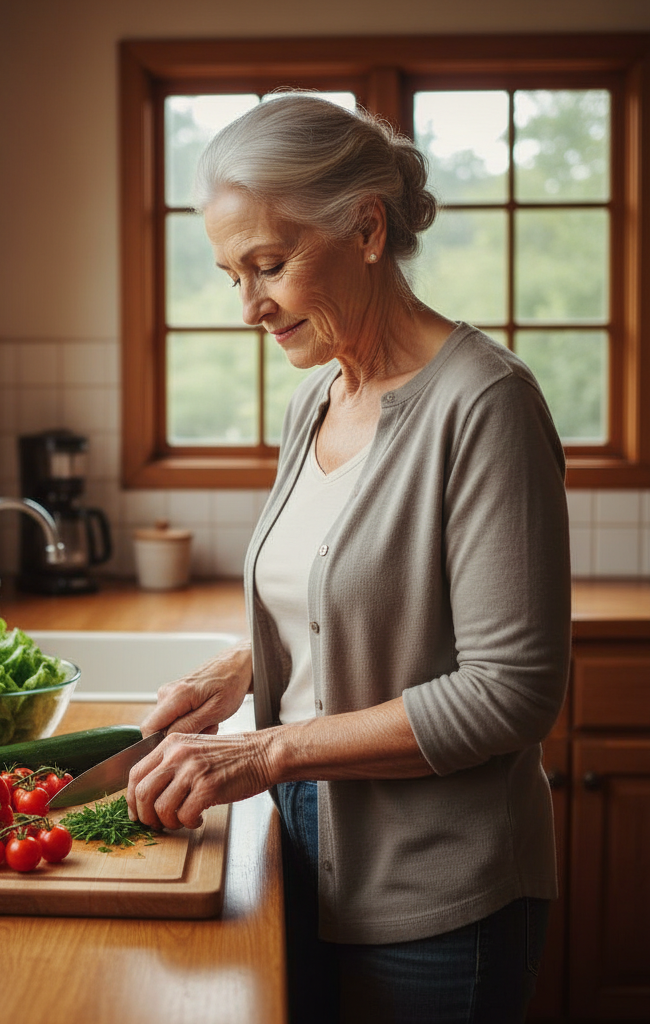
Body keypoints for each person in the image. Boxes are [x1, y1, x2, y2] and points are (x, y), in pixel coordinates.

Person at [125, 93, 571, 1024]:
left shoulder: (484, 405)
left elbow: (510, 691)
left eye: (269, 266)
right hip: (303, 858)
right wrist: (245, 670)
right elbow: (350, 598)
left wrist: (266, 751)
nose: (249, 306)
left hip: (438, 901)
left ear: (366, 228)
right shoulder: (315, 401)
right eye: (231, 275)